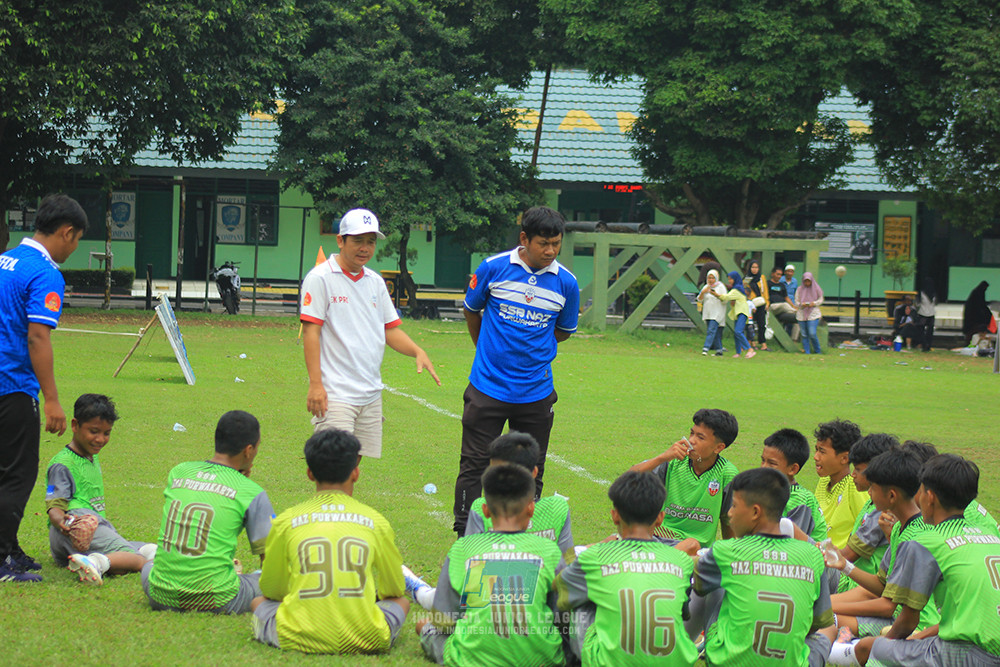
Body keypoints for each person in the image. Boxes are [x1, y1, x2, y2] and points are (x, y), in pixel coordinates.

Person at [454, 206, 580, 535]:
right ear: (524, 239)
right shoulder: (492, 268)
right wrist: (485, 349)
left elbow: (563, 330)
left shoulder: (567, 283)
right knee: (474, 465)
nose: (551, 250)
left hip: (536, 392)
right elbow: (472, 310)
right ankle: (463, 534)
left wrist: (534, 347)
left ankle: (527, 536)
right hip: (487, 387)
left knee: (531, 468)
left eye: (556, 243)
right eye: (543, 243)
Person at [827, 455, 1000, 667]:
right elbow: (961, 617)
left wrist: (886, 648)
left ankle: (835, 651)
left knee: (875, 647)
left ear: (930, 496)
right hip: (981, 645)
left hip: (970, 653)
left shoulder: (925, 541)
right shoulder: (988, 536)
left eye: (919, 489)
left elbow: (907, 621)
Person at [251, 429, 409, 654]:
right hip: (367, 638)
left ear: (309, 473)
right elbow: (394, 589)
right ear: (355, 472)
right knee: (402, 602)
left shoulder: (286, 521)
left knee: (258, 603)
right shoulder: (376, 521)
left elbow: (272, 589)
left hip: (297, 636)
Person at [300, 208, 439, 460]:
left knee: (353, 469)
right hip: (336, 394)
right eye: (358, 240)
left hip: (370, 393)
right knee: (333, 468)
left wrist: (417, 351)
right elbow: (310, 332)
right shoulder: (320, 278)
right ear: (340, 240)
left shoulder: (375, 281)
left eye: (371, 241)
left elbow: (390, 330)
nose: (365, 248)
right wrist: (316, 385)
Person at [0, 193, 87, 583]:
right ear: (66, 233)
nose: (74, 247)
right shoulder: (45, 272)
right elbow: (38, 338)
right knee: (16, 474)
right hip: (13, 386)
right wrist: (51, 399)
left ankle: (8, 546)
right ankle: (2, 559)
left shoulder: (4, 261)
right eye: (77, 239)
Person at [417, 464, 566, 666]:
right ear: (530, 508)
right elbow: (562, 615)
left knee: (425, 626)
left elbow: (444, 620)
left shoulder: (464, 548)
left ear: (485, 510)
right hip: (542, 659)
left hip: (473, 659)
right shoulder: (549, 551)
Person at [553, 470, 699, 665]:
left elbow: (559, 586)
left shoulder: (596, 557)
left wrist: (594, 546)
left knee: (577, 600)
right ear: (660, 518)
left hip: (609, 661)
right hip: (673, 660)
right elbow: (683, 612)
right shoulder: (680, 560)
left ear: (614, 516)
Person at [692, 468, 835, 666]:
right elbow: (814, 626)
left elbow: (698, 587)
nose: (729, 513)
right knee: (830, 627)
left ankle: (709, 649)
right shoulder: (812, 555)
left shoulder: (725, 551)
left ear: (755, 512)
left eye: (733, 506)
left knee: (715, 582)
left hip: (727, 662)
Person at [142, 410, 274, 614]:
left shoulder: (180, 471)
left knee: (149, 567)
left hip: (159, 595)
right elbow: (271, 562)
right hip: (216, 599)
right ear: (248, 450)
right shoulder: (251, 492)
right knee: (264, 580)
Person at [825, 449, 940, 640]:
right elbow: (882, 585)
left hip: (915, 626)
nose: (869, 493)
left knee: (824, 618)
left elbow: (888, 606)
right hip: (894, 616)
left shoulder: (914, 539)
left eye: (873, 488)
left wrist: (825, 605)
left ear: (892, 496)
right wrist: (844, 566)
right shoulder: (897, 529)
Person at [45, 394, 153, 584]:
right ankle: (96, 562)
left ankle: (94, 559)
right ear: (75, 425)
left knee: (150, 549)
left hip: (80, 535)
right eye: (94, 431)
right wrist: (62, 523)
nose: (100, 439)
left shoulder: (90, 455)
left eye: (106, 433)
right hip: (76, 526)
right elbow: (54, 505)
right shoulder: (62, 464)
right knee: (137, 560)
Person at [629, 408, 740, 547]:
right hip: (656, 539)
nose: (691, 440)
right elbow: (627, 479)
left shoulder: (727, 474)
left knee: (690, 545)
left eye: (700, 437)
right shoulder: (673, 462)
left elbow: (728, 519)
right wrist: (662, 457)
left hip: (693, 549)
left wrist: (727, 555)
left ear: (718, 447)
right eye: (692, 433)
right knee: (611, 540)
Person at [833, 433, 899, 594]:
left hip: (859, 586)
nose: (853, 474)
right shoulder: (872, 503)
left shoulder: (882, 511)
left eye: (858, 469)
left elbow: (846, 557)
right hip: (857, 582)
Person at [760, 428, 828, 542]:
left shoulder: (800, 500)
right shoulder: (765, 491)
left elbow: (792, 545)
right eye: (763, 460)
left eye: (772, 463)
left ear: (792, 469)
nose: (763, 467)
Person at [812, 419, 866, 549]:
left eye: (822, 451)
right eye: (816, 450)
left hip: (838, 562)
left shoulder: (855, 487)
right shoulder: (824, 480)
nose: (815, 457)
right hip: (816, 554)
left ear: (844, 458)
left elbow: (868, 528)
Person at [719, 270, 754, 358]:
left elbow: (726, 297)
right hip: (737, 312)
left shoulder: (737, 289)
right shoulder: (738, 287)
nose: (729, 281)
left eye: (731, 279)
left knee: (738, 331)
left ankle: (749, 349)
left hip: (741, 312)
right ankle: (738, 352)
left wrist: (716, 294)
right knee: (737, 333)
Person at [698, 268, 727, 356]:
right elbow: (699, 299)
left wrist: (716, 295)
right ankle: (719, 350)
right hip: (708, 313)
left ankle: (705, 348)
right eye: (709, 278)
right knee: (716, 332)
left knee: (711, 330)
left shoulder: (721, 287)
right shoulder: (706, 287)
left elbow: (725, 299)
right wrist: (703, 292)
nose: (710, 280)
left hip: (717, 313)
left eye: (712, 278)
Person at [795, 271, 824, 354]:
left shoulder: (817, 289)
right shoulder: (799, 289)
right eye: (805, 281)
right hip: (802, 313)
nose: (807, 283)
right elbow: (796, 301)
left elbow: (821, 299)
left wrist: (814, 303)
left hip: (813, 314)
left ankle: (818, 350)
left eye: (809, 281)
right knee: (804, 334)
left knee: (812, 333)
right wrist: (802, 304)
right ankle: (807, 351)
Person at [745, 259, 770, 350]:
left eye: (756, 267)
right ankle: (752, 342)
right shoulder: (747, 278)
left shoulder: (761, 277)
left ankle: (763, 344)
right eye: (753, 267)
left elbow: (765, 290)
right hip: (752, 303)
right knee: (751, 324)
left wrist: (767, 302)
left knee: (762, 324)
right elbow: (746, 292)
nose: (755, 269)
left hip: (761, 302)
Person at [767, 265, 798, 337]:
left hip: (783, 309)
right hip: (773, 306)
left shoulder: (782, 285)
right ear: (772, 274)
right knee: (784, 305)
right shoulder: (768, 283)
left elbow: (786, 297)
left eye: (780, 275)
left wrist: (793, 306)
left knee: (796, 318)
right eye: (777, 274)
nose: (779, 276)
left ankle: (794, 339)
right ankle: (797, 312)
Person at [961, 280, 995, 345]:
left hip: (975, 315)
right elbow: (980, 305)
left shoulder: (978, 293)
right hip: (973, 317)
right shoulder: (978, 293)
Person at [915, 276, 936, 351]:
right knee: (930, 331)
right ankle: (928, 345)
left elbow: (917, 304)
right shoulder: (933, 293)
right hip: (931, 313)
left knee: (921, 330)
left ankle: (924, 344)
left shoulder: (921, 293)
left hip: (922, 313)